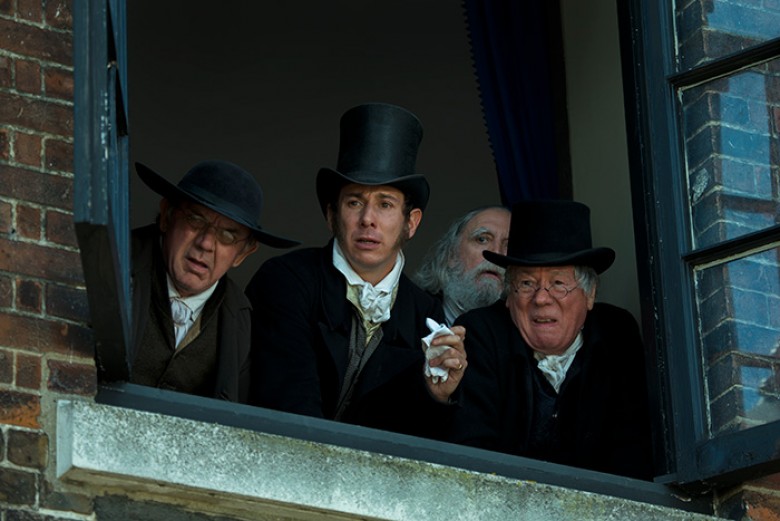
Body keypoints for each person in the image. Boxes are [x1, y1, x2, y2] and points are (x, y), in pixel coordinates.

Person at [245, 103, 467, 439]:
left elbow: (416, 438)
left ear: (411, 222)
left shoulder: (425, 313)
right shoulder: (286, 280)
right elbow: (287, 404)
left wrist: (436, 395)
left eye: (385, 204)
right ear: (331, 215)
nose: (368, 219)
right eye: (354, 202)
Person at [450, 200, 654, 479]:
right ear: (508, 296)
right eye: (526, 283)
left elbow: (634, 453)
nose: (541, 299)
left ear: (590, 293)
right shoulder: (480, 333)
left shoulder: (617, 335)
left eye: (558, 284)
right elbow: (472, 452)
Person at [130, 160, 298, 402]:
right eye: (195, 220)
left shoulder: (239, 319)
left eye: (227, 235)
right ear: (166, 215)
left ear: (243, 253)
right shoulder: (114, 264)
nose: (206, 243)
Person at [414, 205, 510, 324]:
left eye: (509, 245)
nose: (496, 252)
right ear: (451, 255)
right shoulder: (410, 315)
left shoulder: (526, 330)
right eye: (482, 239)